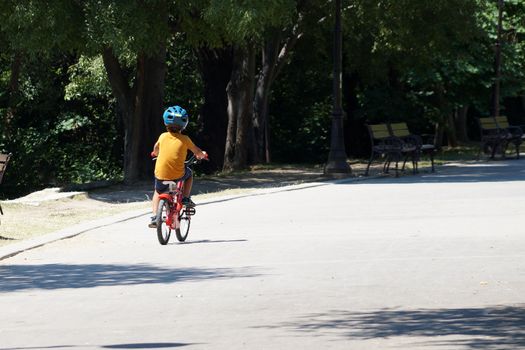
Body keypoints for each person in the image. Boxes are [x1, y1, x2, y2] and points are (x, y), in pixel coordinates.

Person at [149, 105, 207, 228]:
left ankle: (154, 216)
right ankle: (185, 198)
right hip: (177, 174)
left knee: (157, 192)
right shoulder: (185, 139)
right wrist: (202, 155)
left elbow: (156, 149)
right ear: (184, 125)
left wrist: (155, 153)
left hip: (160, 174)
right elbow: (197, 151)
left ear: (166, 123)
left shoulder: (162, 136)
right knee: (189, 174)